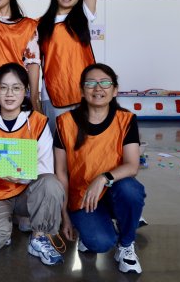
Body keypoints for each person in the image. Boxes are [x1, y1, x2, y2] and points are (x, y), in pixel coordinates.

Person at [54, 63, 145, 274]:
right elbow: (61, 172)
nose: (98, 88)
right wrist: (65, 216)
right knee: (100, 243)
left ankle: (126, 245)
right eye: (90, 83)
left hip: (114, 189)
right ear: (81, 90)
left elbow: (132, 165)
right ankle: (91, 227)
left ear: (115, 90)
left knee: (131, 190)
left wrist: (103, 178)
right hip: (82, 197)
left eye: (105, 83)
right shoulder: (65, 122)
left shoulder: (126, 120)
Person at [0, 63, 64, 265]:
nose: (9, 94)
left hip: (28, 191)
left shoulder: (38, 122)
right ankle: (6, 223)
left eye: (16, 88)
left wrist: (21, 175)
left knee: (51, 183)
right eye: (3, 87)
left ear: (26, 90)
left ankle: (39, 237)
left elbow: (46, 168)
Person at [37, 0, 121, 133]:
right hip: (52, 94)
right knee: (57, 142)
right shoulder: (40, 24)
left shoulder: (83, 15)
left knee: (83, 141)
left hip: (85, 93)